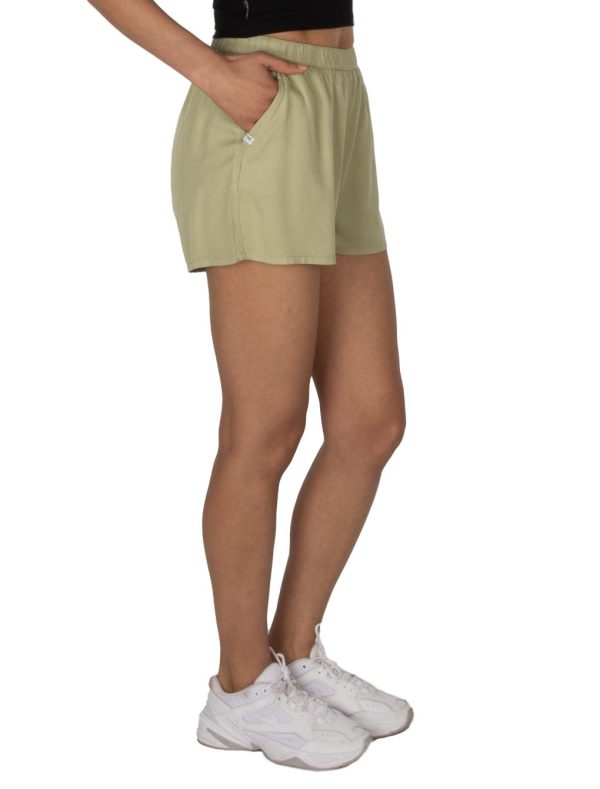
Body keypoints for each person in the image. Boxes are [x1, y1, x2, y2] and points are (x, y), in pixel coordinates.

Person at [88, 0, 413, 770]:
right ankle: (239, 685)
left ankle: (291, 655)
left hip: (339, 94)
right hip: (257, 105)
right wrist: (211, 72)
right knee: (264, 428)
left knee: (370, 422)